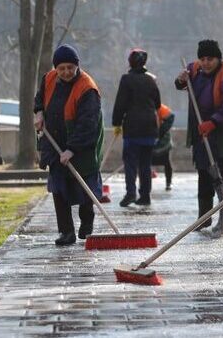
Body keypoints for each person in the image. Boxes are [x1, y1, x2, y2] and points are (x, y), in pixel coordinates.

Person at [33, 44, 104, 246]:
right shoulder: (48, 78)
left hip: (82, 146)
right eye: (61, 68)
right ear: (56, 68)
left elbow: (88, 124)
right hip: (54, 141)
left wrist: (72, 149)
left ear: (77, 66)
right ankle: (66, 232)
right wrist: (38, 112)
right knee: (59, 189)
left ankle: (87, 221)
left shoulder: (87, 88)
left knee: (84, 189)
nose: (66, 72)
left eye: (70, 68)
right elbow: (39, 99)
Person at [174, 39, 223, 230]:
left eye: (210, 59)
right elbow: (182, 84)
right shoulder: (194, 69)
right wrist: (181, 80)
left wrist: (214, 122)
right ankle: (204, 217)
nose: (206, 63)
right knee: (204, 173)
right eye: (203, 59)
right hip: (201, 132)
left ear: (218, 58)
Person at [112, 48, 161, 207]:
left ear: (130, 62)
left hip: (133, 127)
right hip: (150, 126)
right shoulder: (151, 80)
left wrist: (116, 123)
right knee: (145, 164)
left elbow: (120, 103)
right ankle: (145, 195)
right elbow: (158, 103)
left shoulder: (126, 79)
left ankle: (131, 193)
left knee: (130, 162)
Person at [152, 103, 175, 191]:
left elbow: (170, 116)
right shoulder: (138, 106)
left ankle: (168, 182)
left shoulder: (160, 107)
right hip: (147, 137)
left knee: (167, 162)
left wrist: (160, 133)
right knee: (145, 164)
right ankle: (145, 186)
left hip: (162, 140)